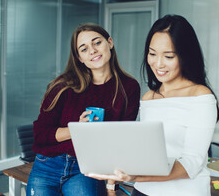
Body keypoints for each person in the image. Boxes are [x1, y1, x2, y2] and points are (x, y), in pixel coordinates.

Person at [87, 15, 219, 196]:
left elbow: (192, 163)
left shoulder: (200, 96)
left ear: (185, 56)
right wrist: (113, 180)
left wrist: (137, 177)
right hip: (143, 191)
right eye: (152, 54)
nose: (158, 64)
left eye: (169, 56)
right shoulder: (149, 97)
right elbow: (145, 151)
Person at [26, 23, 141, 196]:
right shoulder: (63, 85)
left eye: (97, 43)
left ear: (110, 42)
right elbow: (40, 134)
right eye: (84, 48)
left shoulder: (129, 87)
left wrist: (111, 187)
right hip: (48, 164)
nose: (93, 51)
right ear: (79, 57)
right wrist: (78, 129)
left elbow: (122, 140)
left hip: (86, 168)